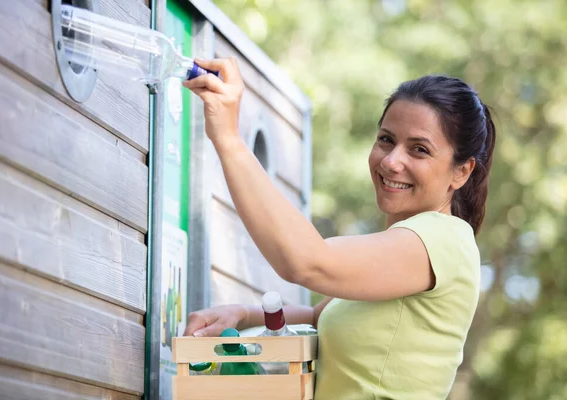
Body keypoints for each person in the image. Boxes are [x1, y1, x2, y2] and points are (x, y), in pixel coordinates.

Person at [181, 57, 496, 400]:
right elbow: (320, 316)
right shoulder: (399, 246)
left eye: (419, 149)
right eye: (386, 140)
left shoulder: (443, 239)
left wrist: (229, 138)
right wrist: (242, 314)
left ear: (461, 171)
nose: (391, 161)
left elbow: (306, 262)